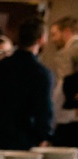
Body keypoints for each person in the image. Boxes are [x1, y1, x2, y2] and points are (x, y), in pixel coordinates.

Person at [0, 17, 54, 150]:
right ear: (41, 39)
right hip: (23, 139)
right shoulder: (41, 73)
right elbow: (43, 110)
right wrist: (44, 136)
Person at [49, 17, 78, 146]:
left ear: (66, 32)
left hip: (70, 127)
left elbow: (62, 87)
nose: (52, 39)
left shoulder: (66, 53)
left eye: (54, 34)